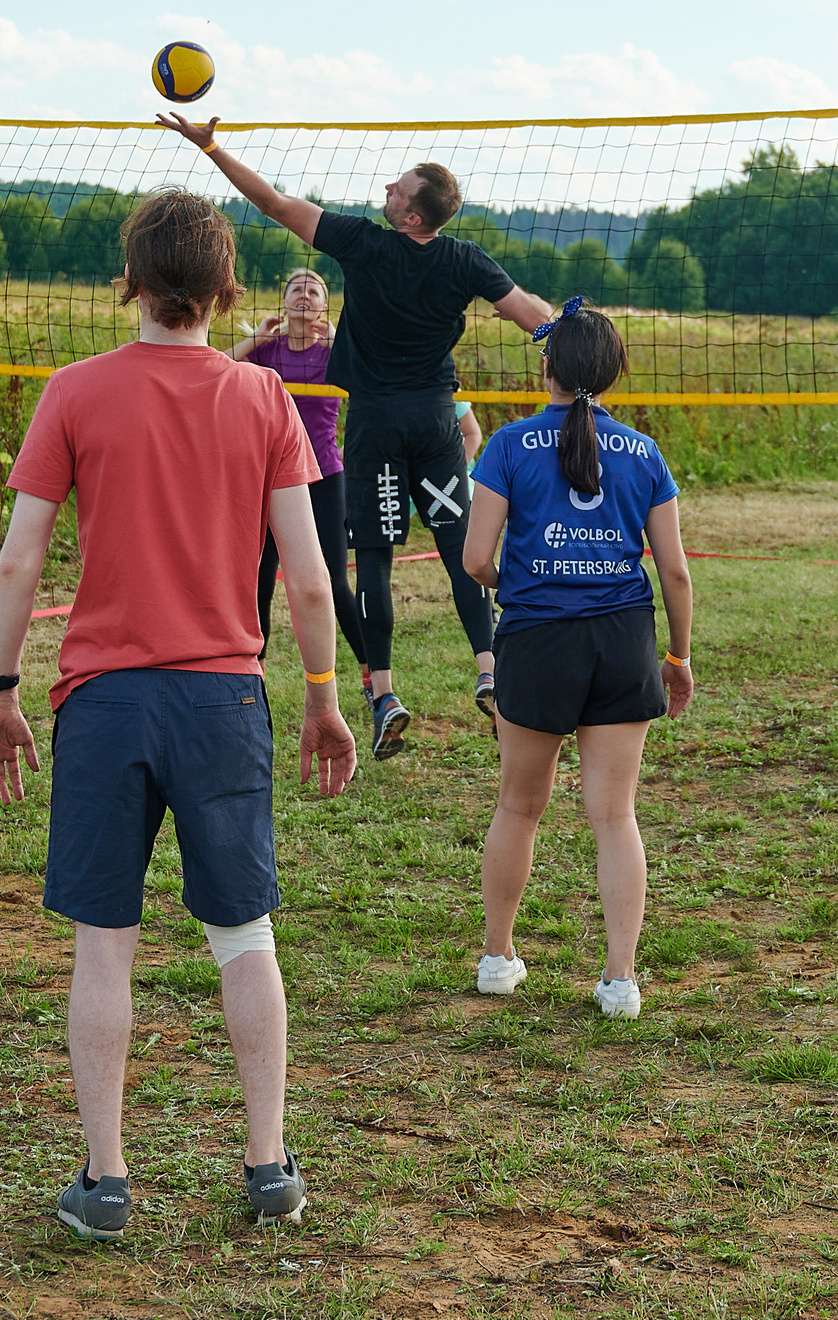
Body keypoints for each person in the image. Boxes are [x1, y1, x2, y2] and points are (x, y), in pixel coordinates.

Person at [0, 191, 359, 1241]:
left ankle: (105, 1182)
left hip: (104, 700)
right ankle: (269, 1163)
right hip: (223, 697)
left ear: (131, 282)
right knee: (245, 935)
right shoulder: (262, 399)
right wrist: (324, 700)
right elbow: (312, 584)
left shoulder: (74, 391)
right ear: (228, 290)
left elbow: (19, 561)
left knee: (105, 943)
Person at [158, 111, 555, 761]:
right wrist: (575, 341)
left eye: (397, 191)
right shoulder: (464, 261)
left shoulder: (365, 245)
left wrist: (211, 148)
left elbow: (272, 202)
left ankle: (385, 695)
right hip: (434, 421)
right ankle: (490, 670)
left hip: (375, 424)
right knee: (460, 549)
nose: (386, 192)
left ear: (414, 218)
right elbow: (530, 317)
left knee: (373, 561)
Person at [461, 306, 693, 1020]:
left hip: (536, 639)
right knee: (615, 815)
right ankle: (620, 980)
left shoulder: (506, 442)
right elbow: (676, 574)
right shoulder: (644, 452)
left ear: (547, 367)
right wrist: (678, 656)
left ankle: (499, 959)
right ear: (615, 370)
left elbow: (475, 561)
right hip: (624, 638)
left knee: (518, 806)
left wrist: (527, 579)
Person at [228, 268, 369, 667]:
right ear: (284, 300)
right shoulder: (266, 351)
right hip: (270, 477)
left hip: (324, 473)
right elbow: (213, 368)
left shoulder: (333, 353)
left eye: (314, 291)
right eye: (296, 289)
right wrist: (257, 336)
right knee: (259, 580)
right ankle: (251, 671)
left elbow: (373, 377)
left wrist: (341, 342)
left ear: (325, 306)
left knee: (335, 581)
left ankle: (372, 678)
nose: (304, 296)